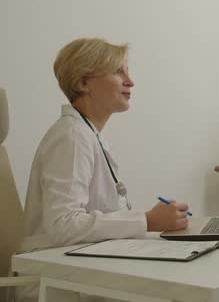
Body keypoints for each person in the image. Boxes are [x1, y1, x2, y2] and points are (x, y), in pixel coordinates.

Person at [18, 38, 190, 301]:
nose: (130, 81)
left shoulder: (87, 134)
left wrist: (152, 223)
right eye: (118, 71)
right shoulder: (72, 137)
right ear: (82, 83)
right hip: (55, 281)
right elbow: (63, 226)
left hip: (79, 268)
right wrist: (147, 220)